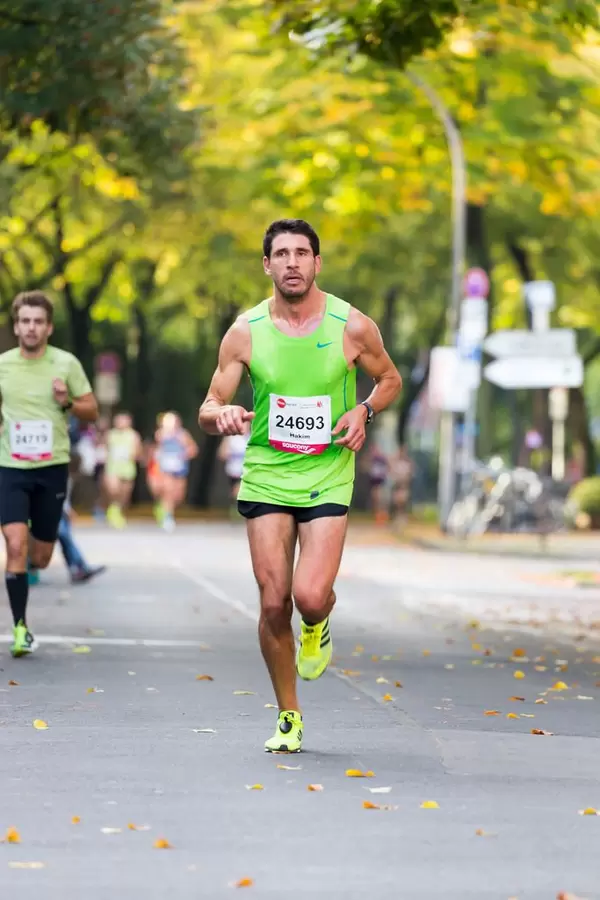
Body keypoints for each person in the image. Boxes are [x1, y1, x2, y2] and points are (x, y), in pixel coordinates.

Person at [198, 218, 402, 753]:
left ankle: (318, 622)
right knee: (272, 603)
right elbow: (209, 404)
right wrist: (219, 415)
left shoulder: (351, 325)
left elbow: (390, 380)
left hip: (329, 470)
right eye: (281, 254)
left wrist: (364, 411)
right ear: (266, 265)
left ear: (316, 263)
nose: (292, 262)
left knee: (310, 597)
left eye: (301, 253)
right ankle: (289, 714)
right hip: (268, 469)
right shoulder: (245, 331)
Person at [0, 290, 98, 656]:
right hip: (10, 466)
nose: (31, 327)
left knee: (39, 556)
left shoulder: (66, 364)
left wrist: (67, 402)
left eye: (38, 321)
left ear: (49, 327)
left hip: (51, 468)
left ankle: (28, 551)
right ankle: (21, 628)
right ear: (16, 326)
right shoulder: (4, 364)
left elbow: (92, 411)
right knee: (13, 544)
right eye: (25, 321)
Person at [153, 412, 198, 531]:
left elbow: (193, 449)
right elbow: (157, 448)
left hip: (180, 467)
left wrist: (185, 453)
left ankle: (164, 509)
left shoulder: (183, 434)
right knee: (168, 491)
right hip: (166, 467)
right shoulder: (161, 434)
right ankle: (167, 517)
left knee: (178, 496)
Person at [103, 411, 142, 529]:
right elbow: (103, 448)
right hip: (113, 467)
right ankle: (113, 510)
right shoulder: (110, 434)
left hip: (128, 468)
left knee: (125, 493)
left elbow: (138, 452)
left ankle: (117, 511)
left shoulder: (133, 435)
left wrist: (133, 455)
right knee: (113, 489)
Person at [217, 432, 250, 511]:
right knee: (236, 491)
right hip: (234, 470)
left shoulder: (252, 436)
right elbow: (222, 454)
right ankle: (236, 508)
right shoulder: (232, 438)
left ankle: (240, 508)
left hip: (248, 470)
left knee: (241, 490)